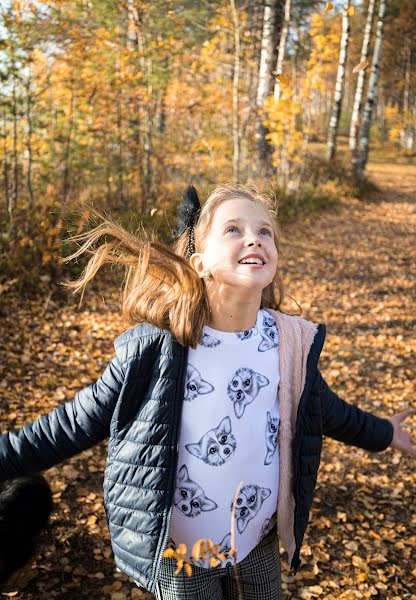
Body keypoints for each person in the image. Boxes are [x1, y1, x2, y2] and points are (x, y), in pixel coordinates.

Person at [0, 183, 414, 600]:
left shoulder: (288, 345)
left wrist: (384, 433)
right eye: (233, 229)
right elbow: (71, 425)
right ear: (199, 263)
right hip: (180, 555)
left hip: (258, 543)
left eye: (264, 231)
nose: (254, 237)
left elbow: (326, 410)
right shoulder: (156, 351)